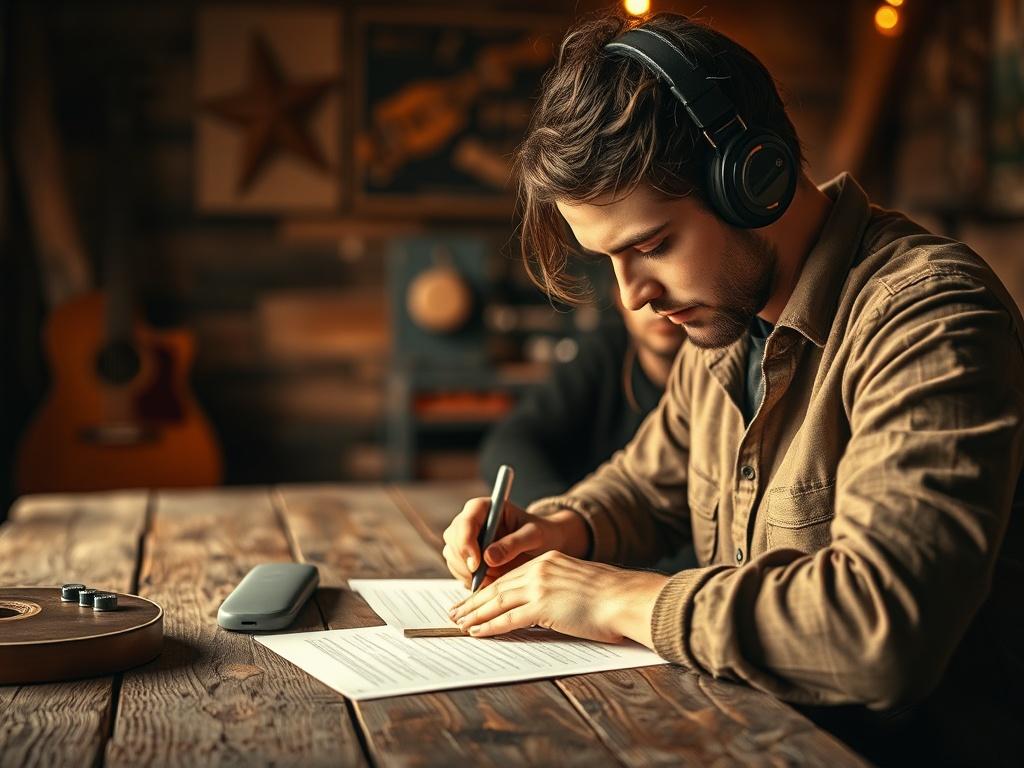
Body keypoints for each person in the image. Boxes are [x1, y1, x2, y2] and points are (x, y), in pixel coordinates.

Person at [440, 11, 1024, 765]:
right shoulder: (724, 319)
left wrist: (615, 596)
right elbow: (646, 485)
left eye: (651, 246)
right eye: (608, 260)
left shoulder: (930, 317)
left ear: (756, 178)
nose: (632, 298)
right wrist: (554, 530)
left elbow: (882, 631)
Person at [478, 295, 685, 509]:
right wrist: (556, 514)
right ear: (618, 295)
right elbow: (509, 442)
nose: (654, 299)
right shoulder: (604, 353)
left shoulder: (716, 376)